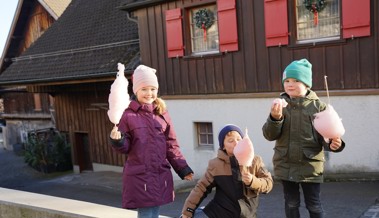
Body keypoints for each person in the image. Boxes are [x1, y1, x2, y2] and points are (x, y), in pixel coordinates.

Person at [262, 58, 345, 218]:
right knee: (291, 203)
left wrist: (335, 143)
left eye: (295, 80)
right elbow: (269, 135)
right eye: (286, 80)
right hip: (286, 164)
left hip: (310, 166)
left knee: (313, 205)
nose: (289, 84)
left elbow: (328, 137)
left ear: (306, 84)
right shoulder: (280, 105)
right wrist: (275, 118)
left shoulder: (319, 107)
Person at [109, 64, 194, 218]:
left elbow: (171, 145)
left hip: (159, 173)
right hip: (140, 176)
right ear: (136, 91)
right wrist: (118, 140)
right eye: (144, 89)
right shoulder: (128, 116)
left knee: (154, 212)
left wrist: (183, 168)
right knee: (147, 214)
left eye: (153, 89)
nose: (149, 93)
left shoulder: (162, 113)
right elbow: (126, 147)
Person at [181, 124, 273, 218]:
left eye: (239, 139)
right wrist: (188, 211)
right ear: (223, 146)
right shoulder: (215, 164)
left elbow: (268, 183)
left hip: (247, 214)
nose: (236, 143)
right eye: (230, 141)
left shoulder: (255, 161)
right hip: (218, 212)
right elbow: (201, 188)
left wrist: (253, 181)